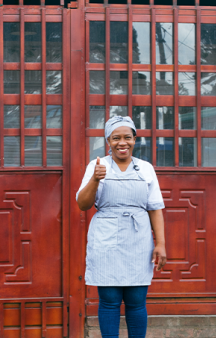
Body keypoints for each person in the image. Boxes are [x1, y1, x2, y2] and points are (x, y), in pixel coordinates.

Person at [76, 116, 167, 338]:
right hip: (106, 238)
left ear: (135, 139)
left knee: (136, 301)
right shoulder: (97, 166)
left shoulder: (145, 168)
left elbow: (155, 208)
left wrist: (161, 244)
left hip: (138, 239)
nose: (122, 142)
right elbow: (83, 204)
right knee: (109, 301)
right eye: (116, 138)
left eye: (127, 137)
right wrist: (95, 180)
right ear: (108, 140)